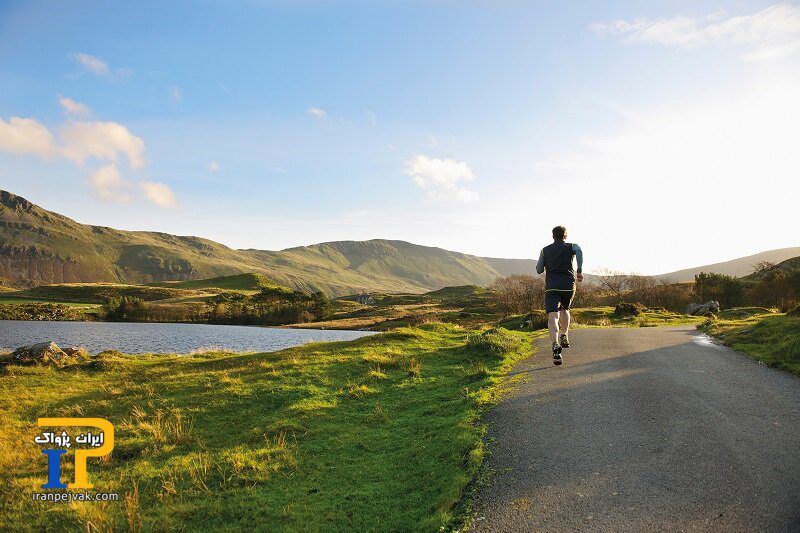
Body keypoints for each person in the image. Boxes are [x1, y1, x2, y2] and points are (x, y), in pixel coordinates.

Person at [535, 226, 583, 365]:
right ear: (565, 236)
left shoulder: (545, 250)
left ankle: (555, 343)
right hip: (568, 285)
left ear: (553, 236)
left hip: (552, 287)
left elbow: (539, 270)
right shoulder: (572, 246)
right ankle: (564, 334)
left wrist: (545, 264)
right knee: (565, 309)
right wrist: (579, 271)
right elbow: (579, 251)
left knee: (553, 315)